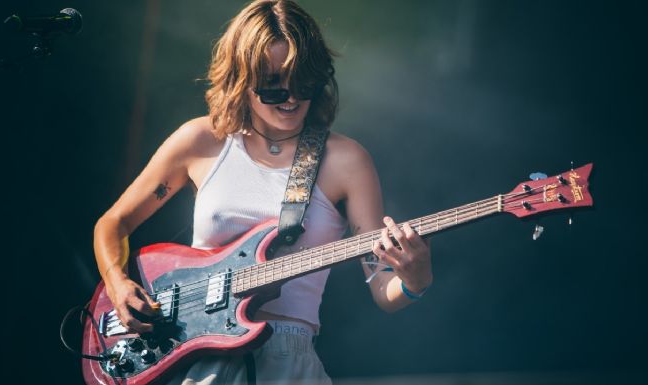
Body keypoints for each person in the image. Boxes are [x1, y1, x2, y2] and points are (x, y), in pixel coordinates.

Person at [93, 1, 433, 384]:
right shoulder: (200, 141)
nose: (290, 97)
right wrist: (118, 284)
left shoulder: (347, 160)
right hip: (196, 357)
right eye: (273, 85)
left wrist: (414, 281)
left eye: (303, 82)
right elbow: (114, 223)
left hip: (289, 359)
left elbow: (382, 287)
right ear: (242, 78)